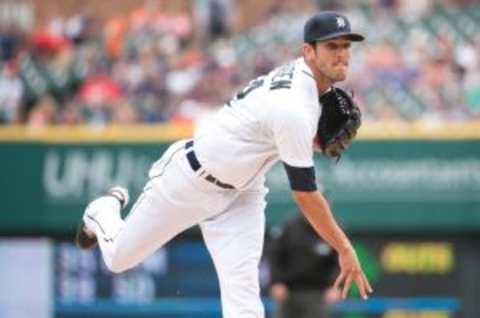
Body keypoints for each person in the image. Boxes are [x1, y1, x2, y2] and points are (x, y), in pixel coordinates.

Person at [75, 11, 373, 318]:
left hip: (243, 193)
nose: (342, 54)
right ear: (308, 51)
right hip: (191, 179)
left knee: (243, 301)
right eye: (332, 46)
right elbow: (305, 194)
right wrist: (344, 249)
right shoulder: (295, 109)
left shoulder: (306, 84)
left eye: (346, 46)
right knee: (119, 258)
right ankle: (101, 211)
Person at [268, 212, 341, 318]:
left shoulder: (332, 227)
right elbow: (275, 256)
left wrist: (335, 286)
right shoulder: (288, 226)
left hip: (318, 294)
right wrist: (276, 282)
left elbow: (339, 260)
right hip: (288, 292)